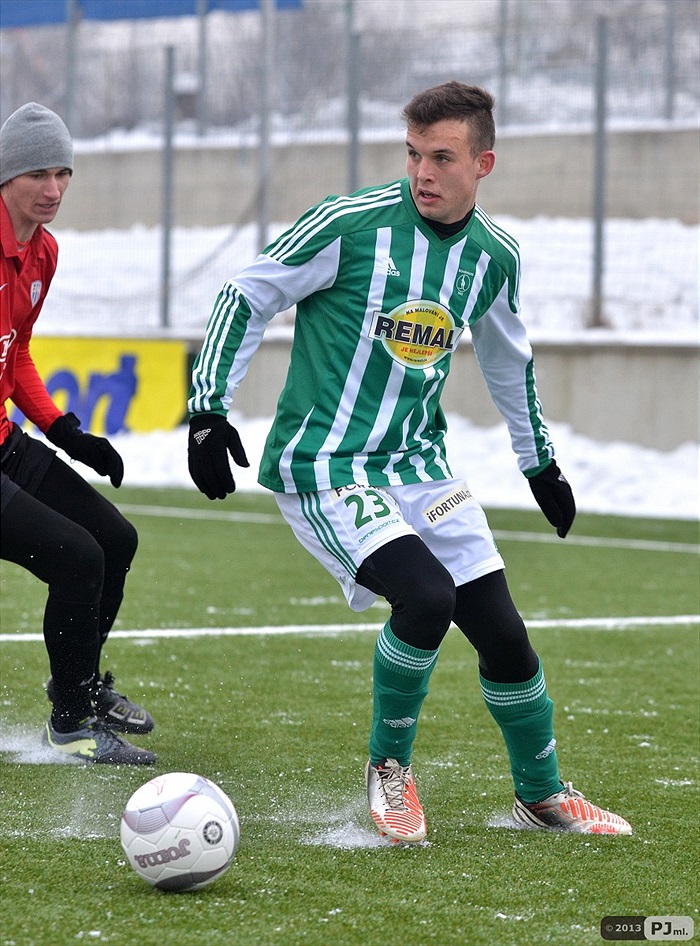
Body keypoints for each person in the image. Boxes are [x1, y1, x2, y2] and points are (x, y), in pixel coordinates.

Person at [187, 81, 632, 838]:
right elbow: (245, 294)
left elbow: (507, 363)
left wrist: (540, 466)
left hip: (421, 470)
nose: (423, 172)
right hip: (328, 466)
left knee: (503, 631)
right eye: (413, 154)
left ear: (483, 163)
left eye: (442, 157)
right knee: (426, 598)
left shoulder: (491, 257)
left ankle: (542, 795)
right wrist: (207, 409)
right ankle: (388, 775)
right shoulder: (350, 224)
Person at [0, 102, 155, 765]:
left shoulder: (43, 251)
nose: (54, 188)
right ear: (7, 175)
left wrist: (67, 431)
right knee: (76, 556)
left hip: (3, 440)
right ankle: (70, 726)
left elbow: (17, 353)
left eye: (64, 172)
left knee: (114, 539)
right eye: (39, 172)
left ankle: (80, 687)